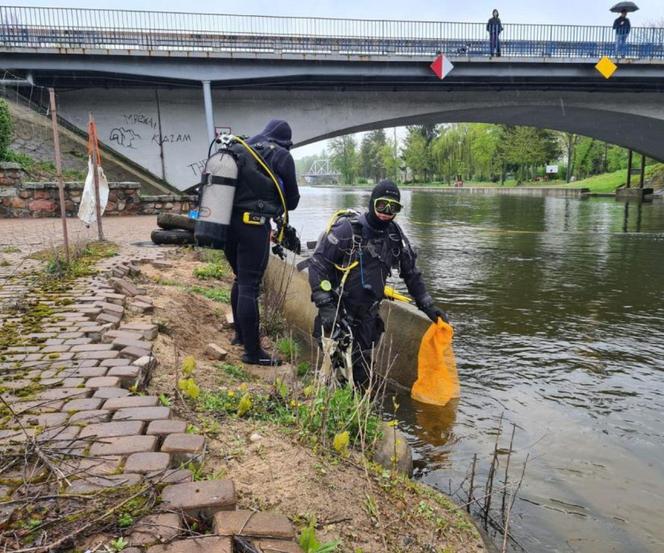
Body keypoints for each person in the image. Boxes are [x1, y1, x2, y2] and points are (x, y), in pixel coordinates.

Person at [307, 180, 448, 386]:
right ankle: (332, 405)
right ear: (372, 202)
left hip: (368, 314)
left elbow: (411, 273)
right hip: (339, 309)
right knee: (335, 366)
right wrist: (325, 305)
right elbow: (318, 266)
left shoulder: (395, 236)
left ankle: (358, 407)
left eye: (393, 208)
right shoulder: (347, 231)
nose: (386, 212)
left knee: (362, 366)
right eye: (382, 205)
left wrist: (428, 305)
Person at [225, 119, 300, 366]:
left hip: (226, 223)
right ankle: (253, 352)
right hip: (253, 224)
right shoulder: (281, 156)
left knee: (239, 279)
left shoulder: (242, 147)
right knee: (249, 286)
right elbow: (292, 201)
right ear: (286, 142)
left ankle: (240, 336)